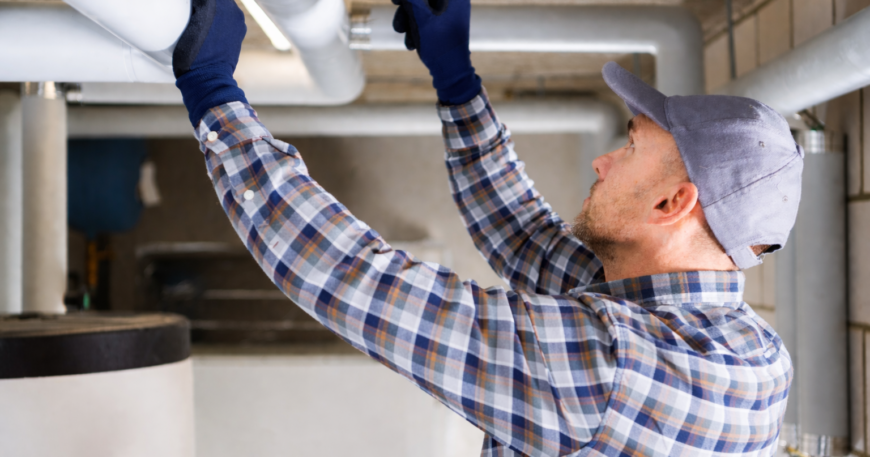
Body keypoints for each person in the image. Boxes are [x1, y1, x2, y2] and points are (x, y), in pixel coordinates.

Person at [173, 0, 799, 454]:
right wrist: (457, 80)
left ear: (672, 203)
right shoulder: (743, 347)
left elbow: (359, 283)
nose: (603, 161)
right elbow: (524, 238)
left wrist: (215, 98)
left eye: (631, 146)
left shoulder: (617, 371)